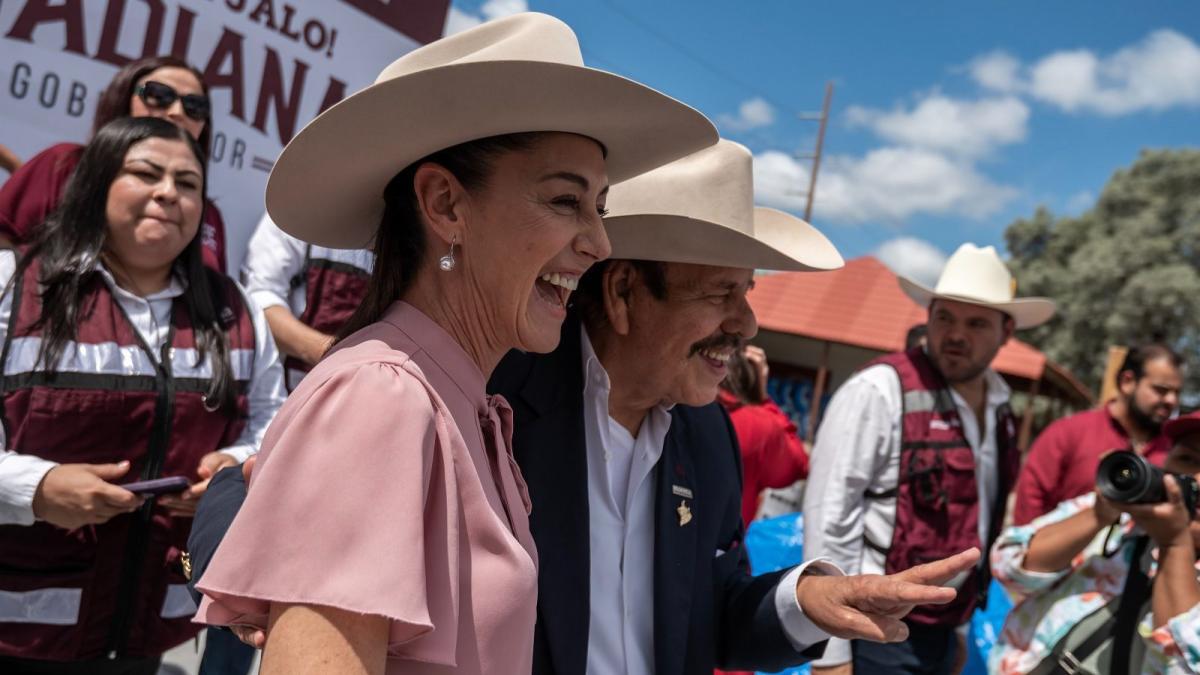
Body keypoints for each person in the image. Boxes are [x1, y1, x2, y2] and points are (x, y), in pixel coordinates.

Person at [190, 138, 985, 674]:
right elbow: (285, 503)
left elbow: (703, 611)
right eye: (721, 294)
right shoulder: (466, 389)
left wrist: (812, 598)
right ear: (628, 294)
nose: (745, 326)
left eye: (748, 294)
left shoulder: (702, 435)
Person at [193, 13, 719, 674]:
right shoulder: (382, 397)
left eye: (601, 208)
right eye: (565, 200)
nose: (600, 242)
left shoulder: (463, 404)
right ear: (445, 205)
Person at [0, 116, 285, 673]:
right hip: (18, 631)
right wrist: (36, 488)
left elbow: (273, 421)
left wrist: (233, 467)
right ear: (98, 182)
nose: (168, 193)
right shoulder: (12, 285)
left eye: (187, 183)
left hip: (148, 629)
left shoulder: (239, 311)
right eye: (146, 173)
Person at [803, 243, 1057, 675]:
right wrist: (831, 653)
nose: (956, 335)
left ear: (1007, 332)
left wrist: (958, 631)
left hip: (944, 630)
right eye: (945, 318)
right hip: (872, 631)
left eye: (976, 323)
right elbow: (829, 516)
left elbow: (974, 524)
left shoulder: (999, 411)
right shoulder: (880, 390)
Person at [990, 411, 1200, 674]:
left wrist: (1174, 545)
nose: (1196, 481)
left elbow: (1184, 667)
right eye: (1187, 459)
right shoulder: (1120, 514)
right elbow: (1008, 570)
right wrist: (1099, 515)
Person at [0, 56, 228, 272]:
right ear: (125, 97)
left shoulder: (209, 214)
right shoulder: (64, 163)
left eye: (195, 106)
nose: (177, 112)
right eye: (158, 95)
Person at [1013, 343, 1182, 525]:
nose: (1171, 400)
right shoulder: (1068, 433)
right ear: (1127, 382)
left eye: (1177, 393)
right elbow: (1029, 515)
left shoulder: (1178, 449)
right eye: (1161, 390)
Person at [241, 213, 374, 390]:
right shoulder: (293, 212)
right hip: (294, 392)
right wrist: (332, 353)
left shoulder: (400, 226)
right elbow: (259, 300)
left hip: (369, 388)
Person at [718, 345, 809, 526]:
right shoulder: (758, 425)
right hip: (719, 546)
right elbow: (798, 465)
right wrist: (763, 396)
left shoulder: (675, 406)